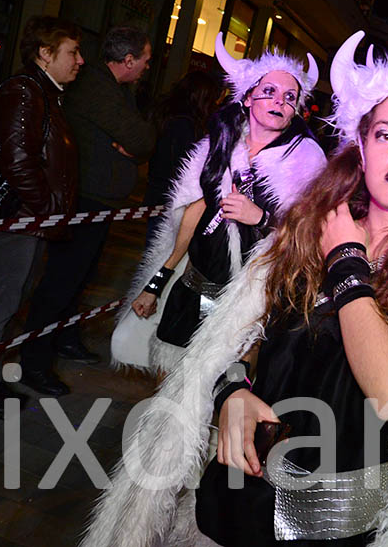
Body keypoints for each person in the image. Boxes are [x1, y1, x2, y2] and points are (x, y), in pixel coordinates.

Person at [82, 30, 388, 547]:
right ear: (360, 145)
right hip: (238, 498)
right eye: (385, 134)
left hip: (335, 521)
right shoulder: (302, 230)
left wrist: (346, 260)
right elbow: (243, 338)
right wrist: (231, 393)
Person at [111, 33, 327, 372]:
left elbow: (311, 238)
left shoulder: (304, 162)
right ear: (248, 98)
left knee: (226, 386)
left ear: (295, 111)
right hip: (193, 287)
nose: (279, 102)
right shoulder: (218, 149)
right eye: (268, 91)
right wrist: (156, 284)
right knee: (169, 379)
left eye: (290, 97)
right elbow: (192, 216)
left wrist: (261, 218)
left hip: (247, 305)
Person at [18, 26, 156, 395]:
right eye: (144, 60)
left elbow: (142, 140)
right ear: (128, 60)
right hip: (85, 201)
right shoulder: (96, 88)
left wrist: (136, 146)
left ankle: (63, 339)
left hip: (100, 202)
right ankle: (34, 362)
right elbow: (143, 138)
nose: (146, 67)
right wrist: (135, 146)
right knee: (60, 281)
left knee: (79, 279)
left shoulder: (117, 91)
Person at [0, 16, 82, 414]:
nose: (79, 60)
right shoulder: (27, 92)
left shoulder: (46, 93)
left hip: (26, 220)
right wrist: (47, 210)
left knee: (9, 307)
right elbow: (16, 160)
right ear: (45, 54)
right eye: (72, 52)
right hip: (15, 220)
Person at [143, 70, 223, 248]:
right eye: (212, 99)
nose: (215, 104)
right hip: (171, 201)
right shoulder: (184, 126)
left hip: (158, 195)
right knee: (162, 254)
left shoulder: (168, 116)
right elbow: (183, 167)